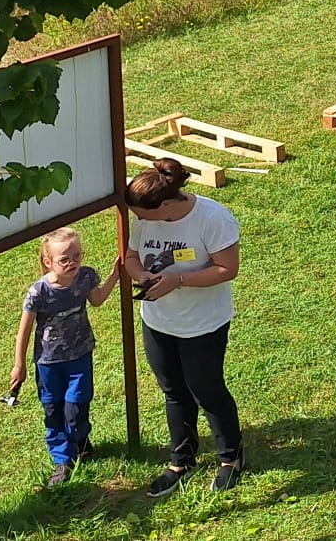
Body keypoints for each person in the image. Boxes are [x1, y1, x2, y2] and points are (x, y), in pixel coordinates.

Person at [123, 156, 243, 496]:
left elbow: (226, 268)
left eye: (141, 214)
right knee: (173, 391)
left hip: (203, 324)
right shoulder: (144, 218)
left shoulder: (212, 218)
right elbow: (131, 258)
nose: (136, 220)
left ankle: (231, 459)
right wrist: (143, 276)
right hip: (158, 321)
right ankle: (181, 460)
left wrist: (177, 280)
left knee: (208, 390)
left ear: (162, 205)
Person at [11, 226, 118, 485]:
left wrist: (115, 275)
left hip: (80, 355)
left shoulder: (86, 277)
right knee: (53, 409)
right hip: (48, 362)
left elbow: (98, 299)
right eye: (64, 259)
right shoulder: (39, 292)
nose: (73, 263)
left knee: (77, 405)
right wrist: (19, 365)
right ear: (48, 262)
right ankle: (62, 460)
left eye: (77, 256)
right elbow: (24, 330)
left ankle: (80, 439)